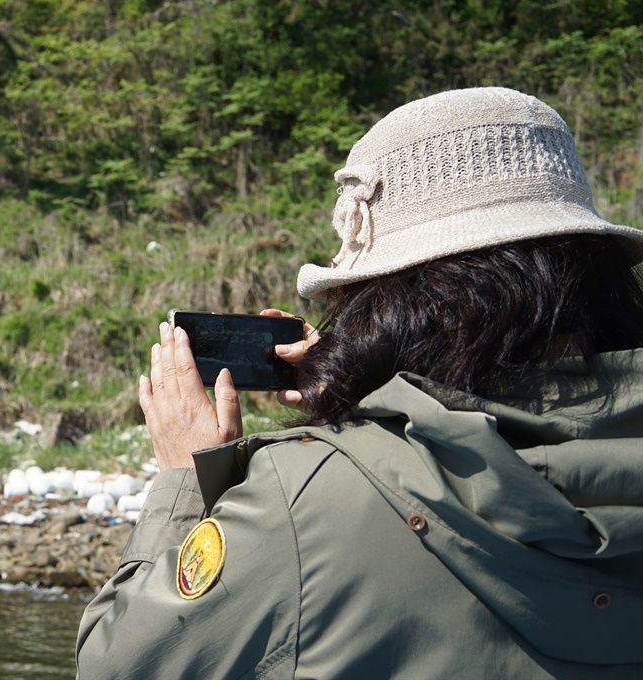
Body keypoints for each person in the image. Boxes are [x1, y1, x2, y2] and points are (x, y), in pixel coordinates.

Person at [75, 87, 643, 678]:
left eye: (358, 297)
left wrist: (186, 481)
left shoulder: (304, 500)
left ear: (397, 302)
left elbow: (119, 663)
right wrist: (378, 402)